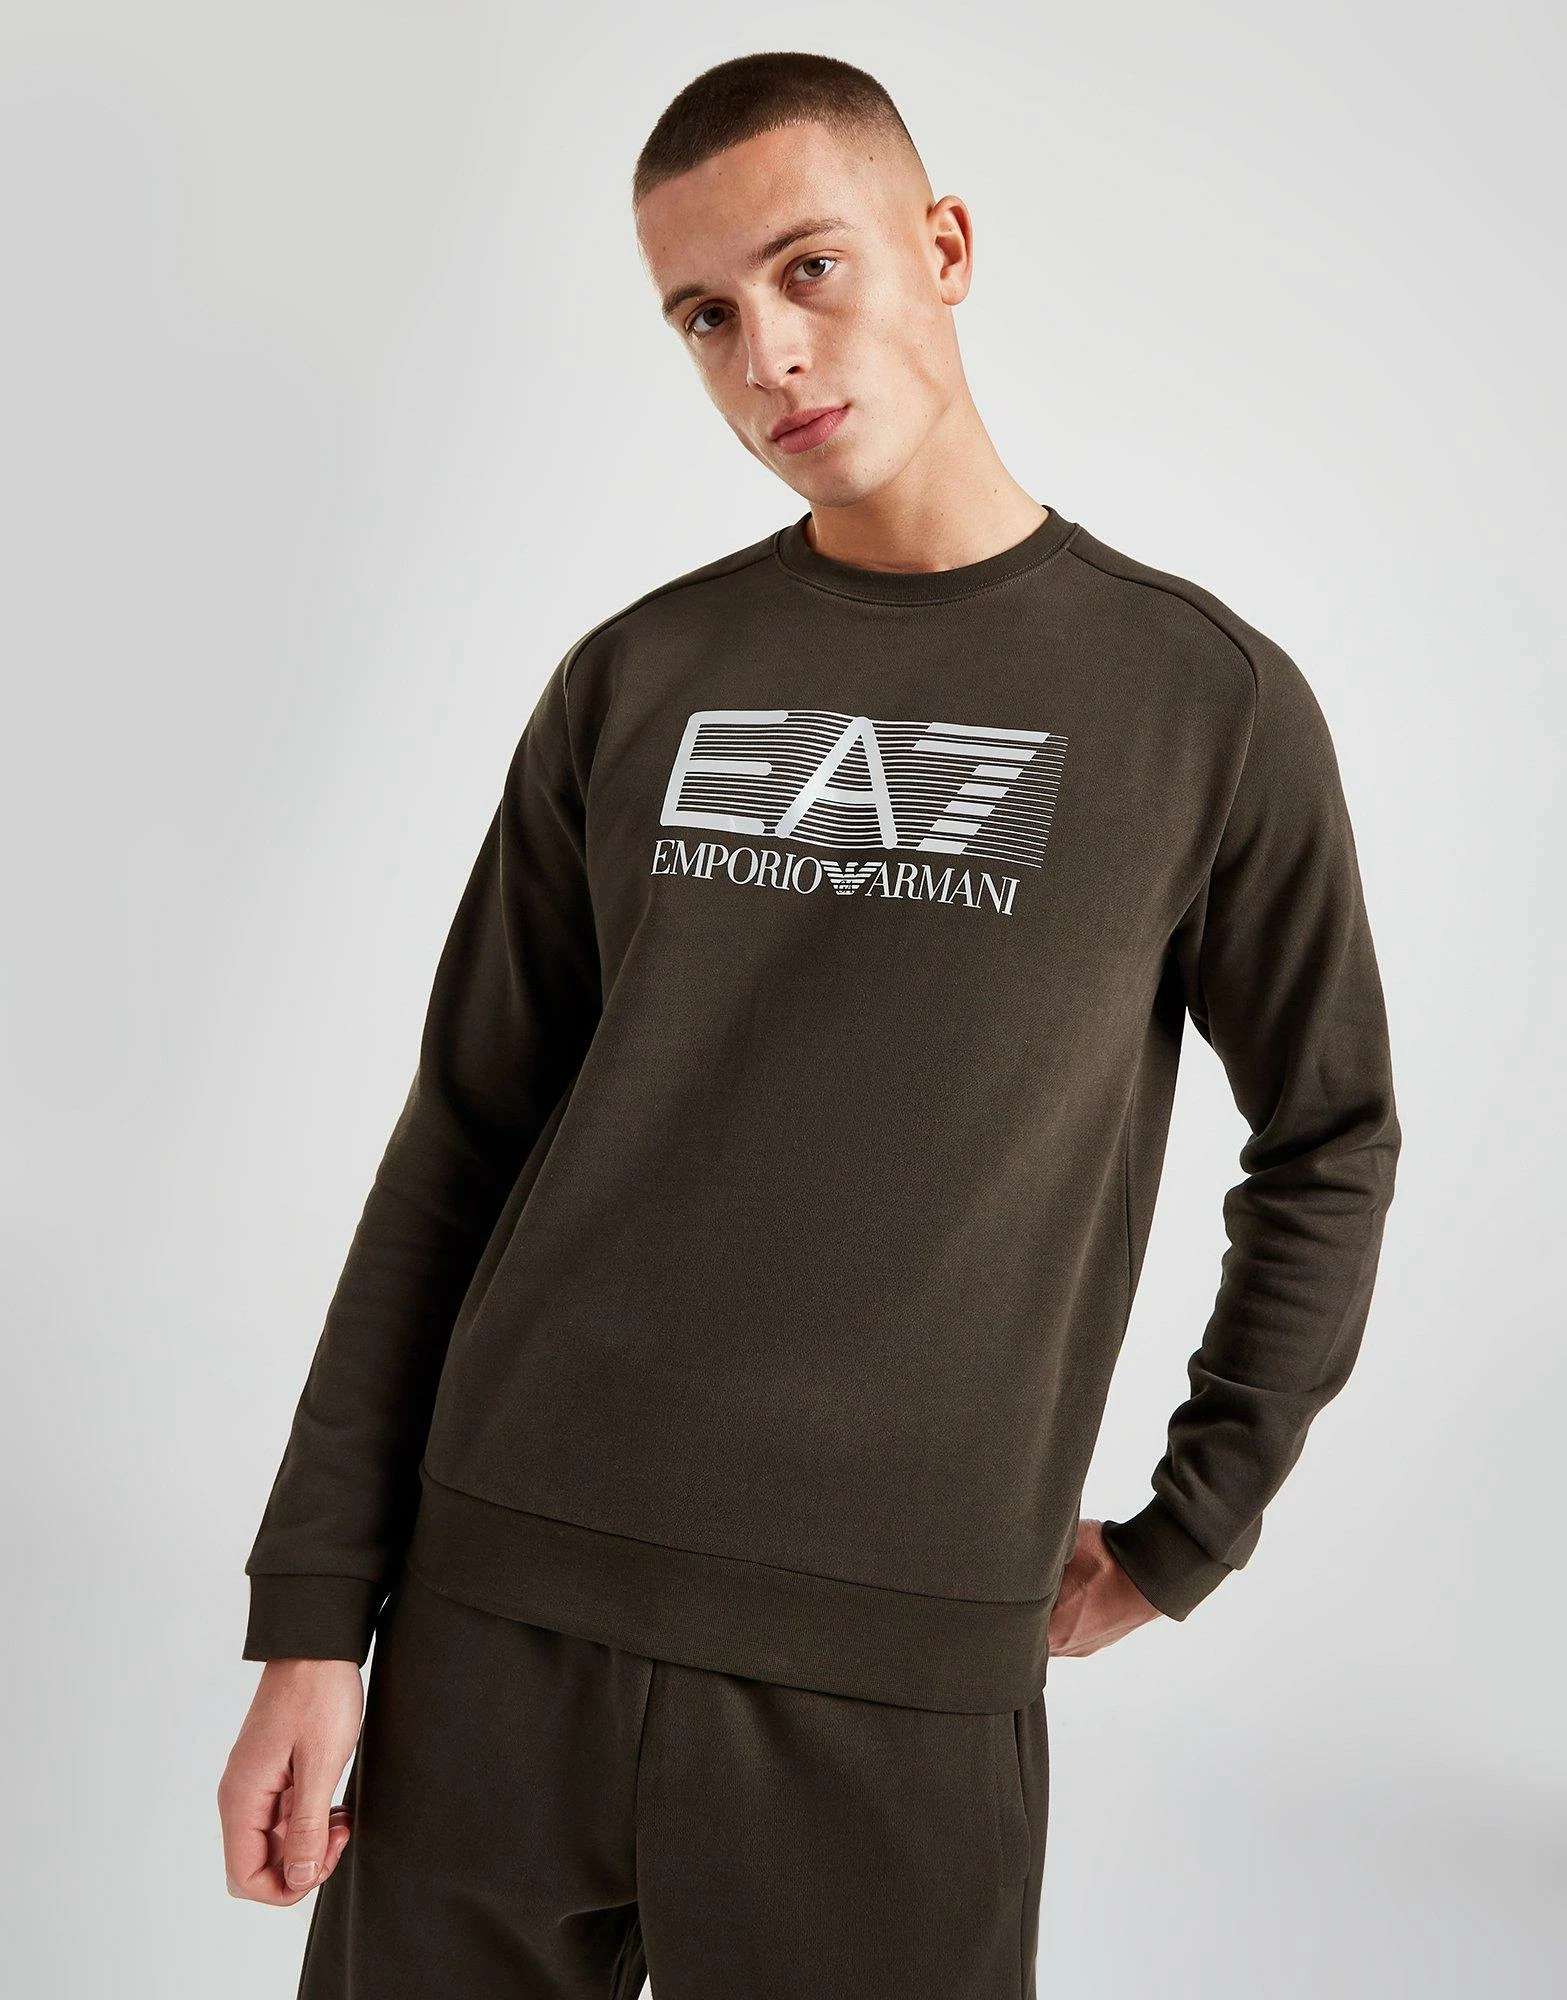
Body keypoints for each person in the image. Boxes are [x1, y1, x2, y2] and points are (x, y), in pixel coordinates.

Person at [217, 49, 1401, 2000]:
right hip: (496, 1620)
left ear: (943, 245)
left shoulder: (1202, 704)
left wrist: (1190, 1523)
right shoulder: (639, 677)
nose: (765, 350)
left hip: (889, 1683)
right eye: (703, 314)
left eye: (808, 270)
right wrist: (313, 1615)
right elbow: (459, 1143)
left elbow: (1329, 1137)